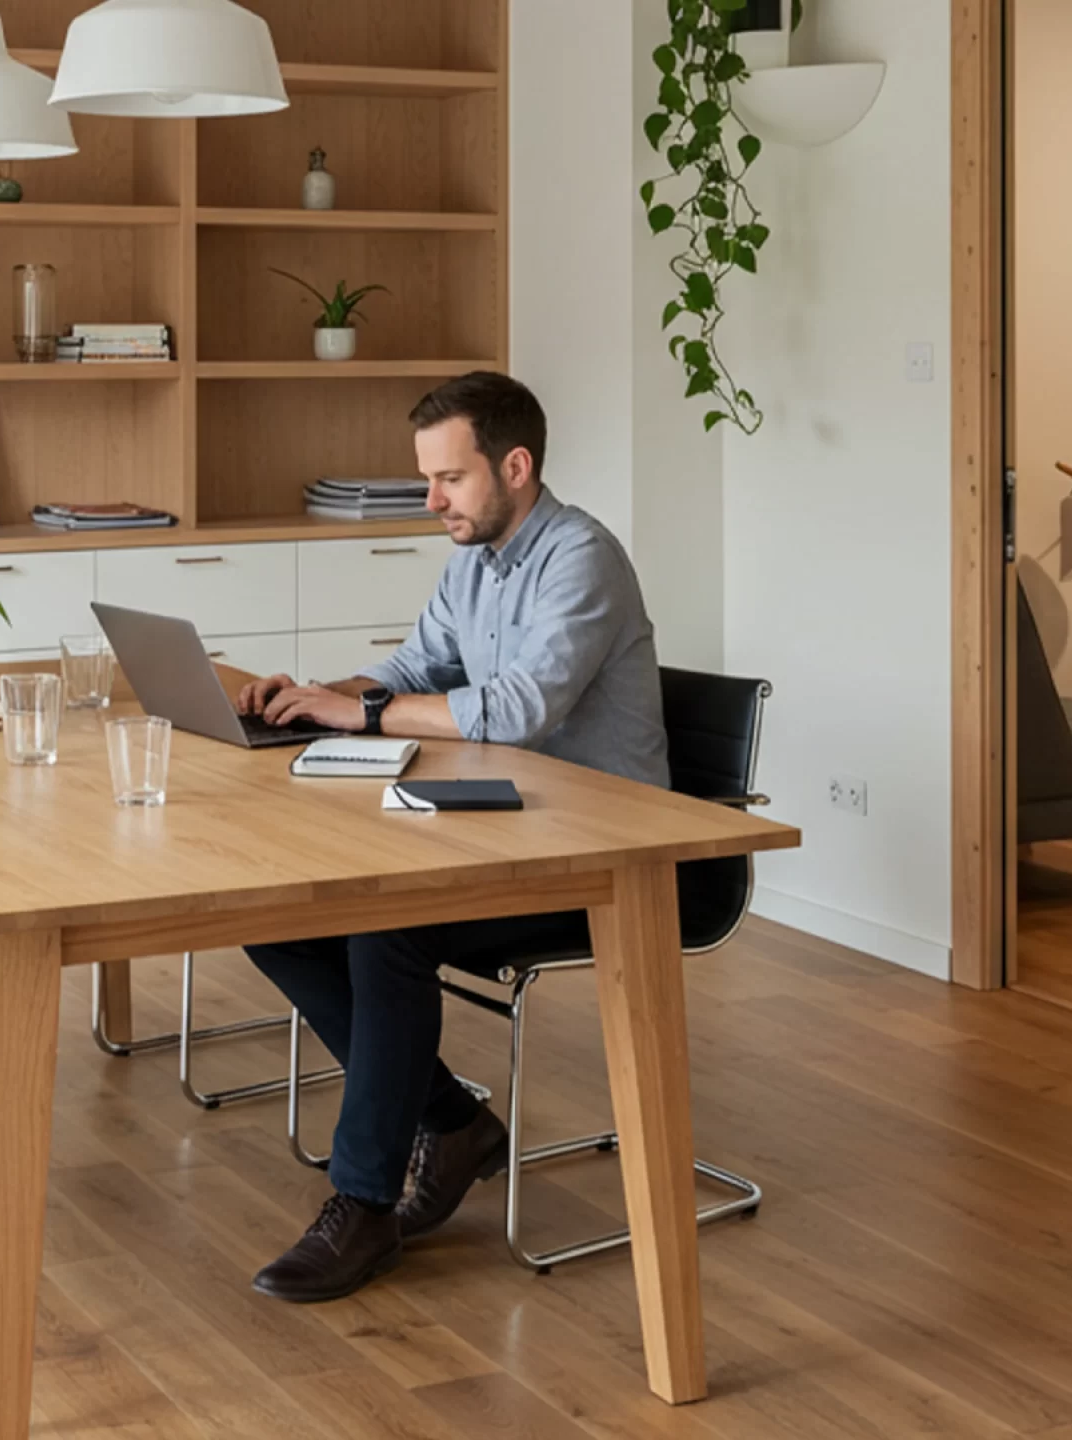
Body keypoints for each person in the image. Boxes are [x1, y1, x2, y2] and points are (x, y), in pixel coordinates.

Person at [229, 371, 668, 1302]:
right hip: (508, 823)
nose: (431, 502)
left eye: (448, 480)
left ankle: (365, 1204)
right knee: (277, 918)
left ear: (515, 465)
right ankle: (454, 1123)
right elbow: (411, 665)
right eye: (426, 480)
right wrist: (314, 698)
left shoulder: (580, 556)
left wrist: (368, 716)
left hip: (601, 849)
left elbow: (515, 710)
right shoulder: (474, 557)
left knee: (391, 929)